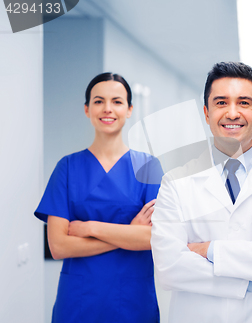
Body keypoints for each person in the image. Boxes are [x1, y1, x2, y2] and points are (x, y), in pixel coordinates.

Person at [151, 62, 252, 323]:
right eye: (221, 102)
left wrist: (209, 250)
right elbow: (169, 268)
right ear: (206, 113)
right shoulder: (175, 183)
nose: (233, 113)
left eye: (244, 103)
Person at [35, 73, 163, 323]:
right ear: (86, 109)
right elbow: (58, 246)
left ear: (129, 110)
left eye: (117, 101)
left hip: (132, 299)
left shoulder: (148, 167)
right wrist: (128, 233)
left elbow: (152, 238)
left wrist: (90, 228)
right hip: (79, 300)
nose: (107, 109)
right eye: (98, 101)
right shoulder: (68, 168)